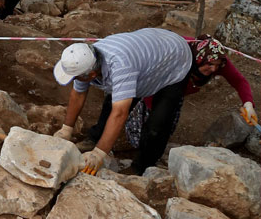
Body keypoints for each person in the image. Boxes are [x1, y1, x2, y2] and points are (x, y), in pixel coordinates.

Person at [52, 28, 191, 175]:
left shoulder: (121, 67)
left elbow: (119, 113)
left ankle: (141, 167)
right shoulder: (86, 59)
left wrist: (99, 154)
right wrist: (66, 130)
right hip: (148, 52)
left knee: (157, 125)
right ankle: (95, 138)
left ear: (91, 74)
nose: (75, 81)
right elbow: (78, 94)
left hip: (174, 59)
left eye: (76, 77)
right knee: (113, 100)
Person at [120, 35, 257, 150]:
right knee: (146, 123)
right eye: (210, 64)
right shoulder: (181, 50)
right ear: (200, 58)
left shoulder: (217, 59)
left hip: (176, 94)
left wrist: (248, 103)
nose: (214, 69)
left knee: (164, 128)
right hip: (155, 81)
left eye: (217, 65)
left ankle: (150, 151)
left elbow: (239, 81)